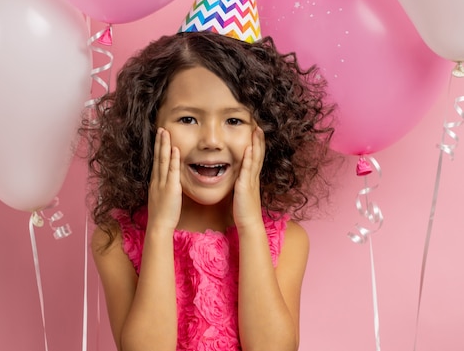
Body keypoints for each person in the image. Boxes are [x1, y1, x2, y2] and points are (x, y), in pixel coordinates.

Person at [79, 31, 336, 351]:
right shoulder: (115, 240)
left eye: (234, 120)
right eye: (188, 119)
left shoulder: (288, 242)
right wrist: (159, 229)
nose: (211, 140)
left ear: (264, 132)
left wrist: (250, 225)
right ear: (148, 127)